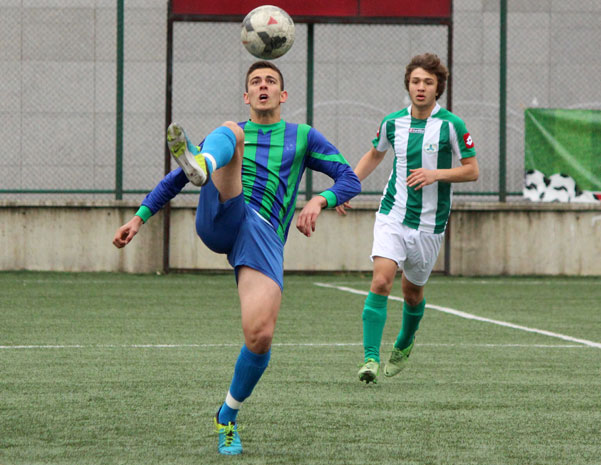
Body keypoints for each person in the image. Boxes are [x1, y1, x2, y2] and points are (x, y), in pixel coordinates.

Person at [112, 60, 361, 455]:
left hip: (262, 235)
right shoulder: (232, 134)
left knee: (260, 336)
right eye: (256, 82)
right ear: (247, 96)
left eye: (270, 81)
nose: (263, 86)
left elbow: (350, 178)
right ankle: (204, 163)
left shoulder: (303, 137)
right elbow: (175, 179)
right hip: (222, 214)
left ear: (283, 94)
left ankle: (227, 415)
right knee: (231, 133)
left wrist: (320, 199)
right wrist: (139, 218)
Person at [337, 53, 479, 384]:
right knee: (381, 281)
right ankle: (370, 359)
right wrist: (347, 187)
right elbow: (374, 154)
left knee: (412, 293)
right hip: (393, 215)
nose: (421, 87)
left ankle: (404, 340)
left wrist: (435, 174)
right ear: (408, 85)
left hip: (430, 225)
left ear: (438, 88)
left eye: (428, 82)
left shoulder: (452, 125)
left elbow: (472, 170)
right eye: (416, 81)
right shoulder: (392, 123)